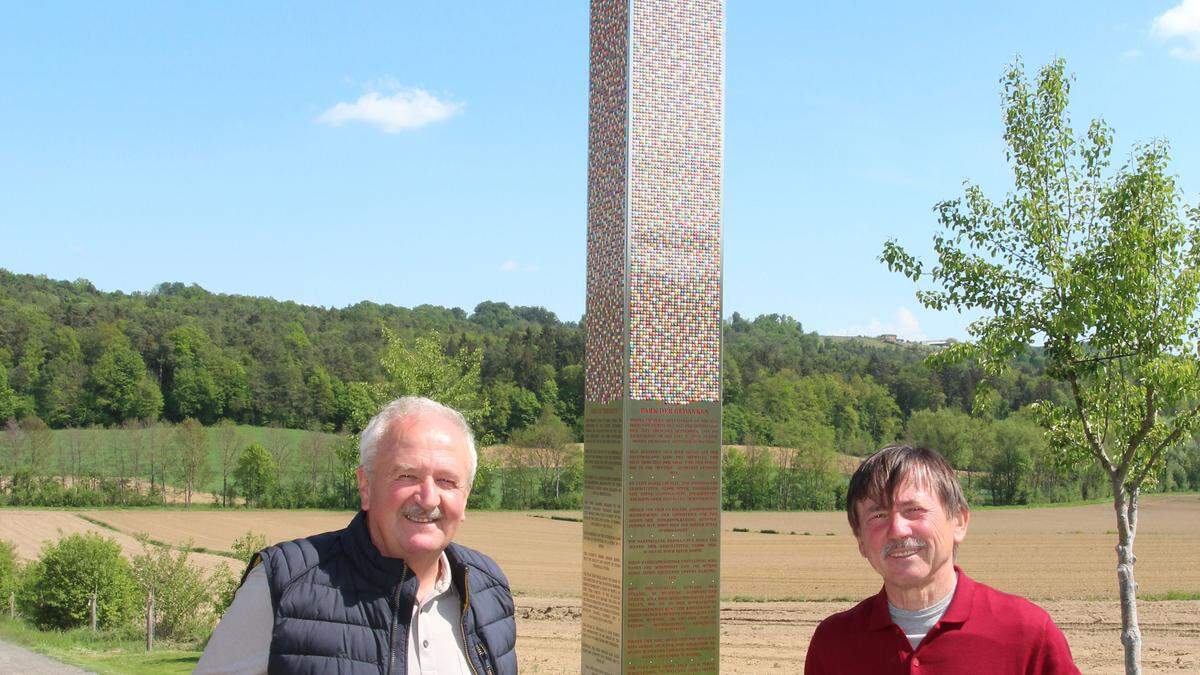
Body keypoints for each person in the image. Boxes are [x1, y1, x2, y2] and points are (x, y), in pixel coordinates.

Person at [197, 396, 516, 674]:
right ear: (366, 486)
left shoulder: (489, 590)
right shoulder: (282, 584)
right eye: (407, 475)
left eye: (447, 481)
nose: (428, 498)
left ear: (466, 497)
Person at [805, 444, 1079, 674]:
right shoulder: (833, 644)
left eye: (913, 510)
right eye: (878, 515)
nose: (898, 529)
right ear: (861, 541)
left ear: (959, 522)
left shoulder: (1028, 634)